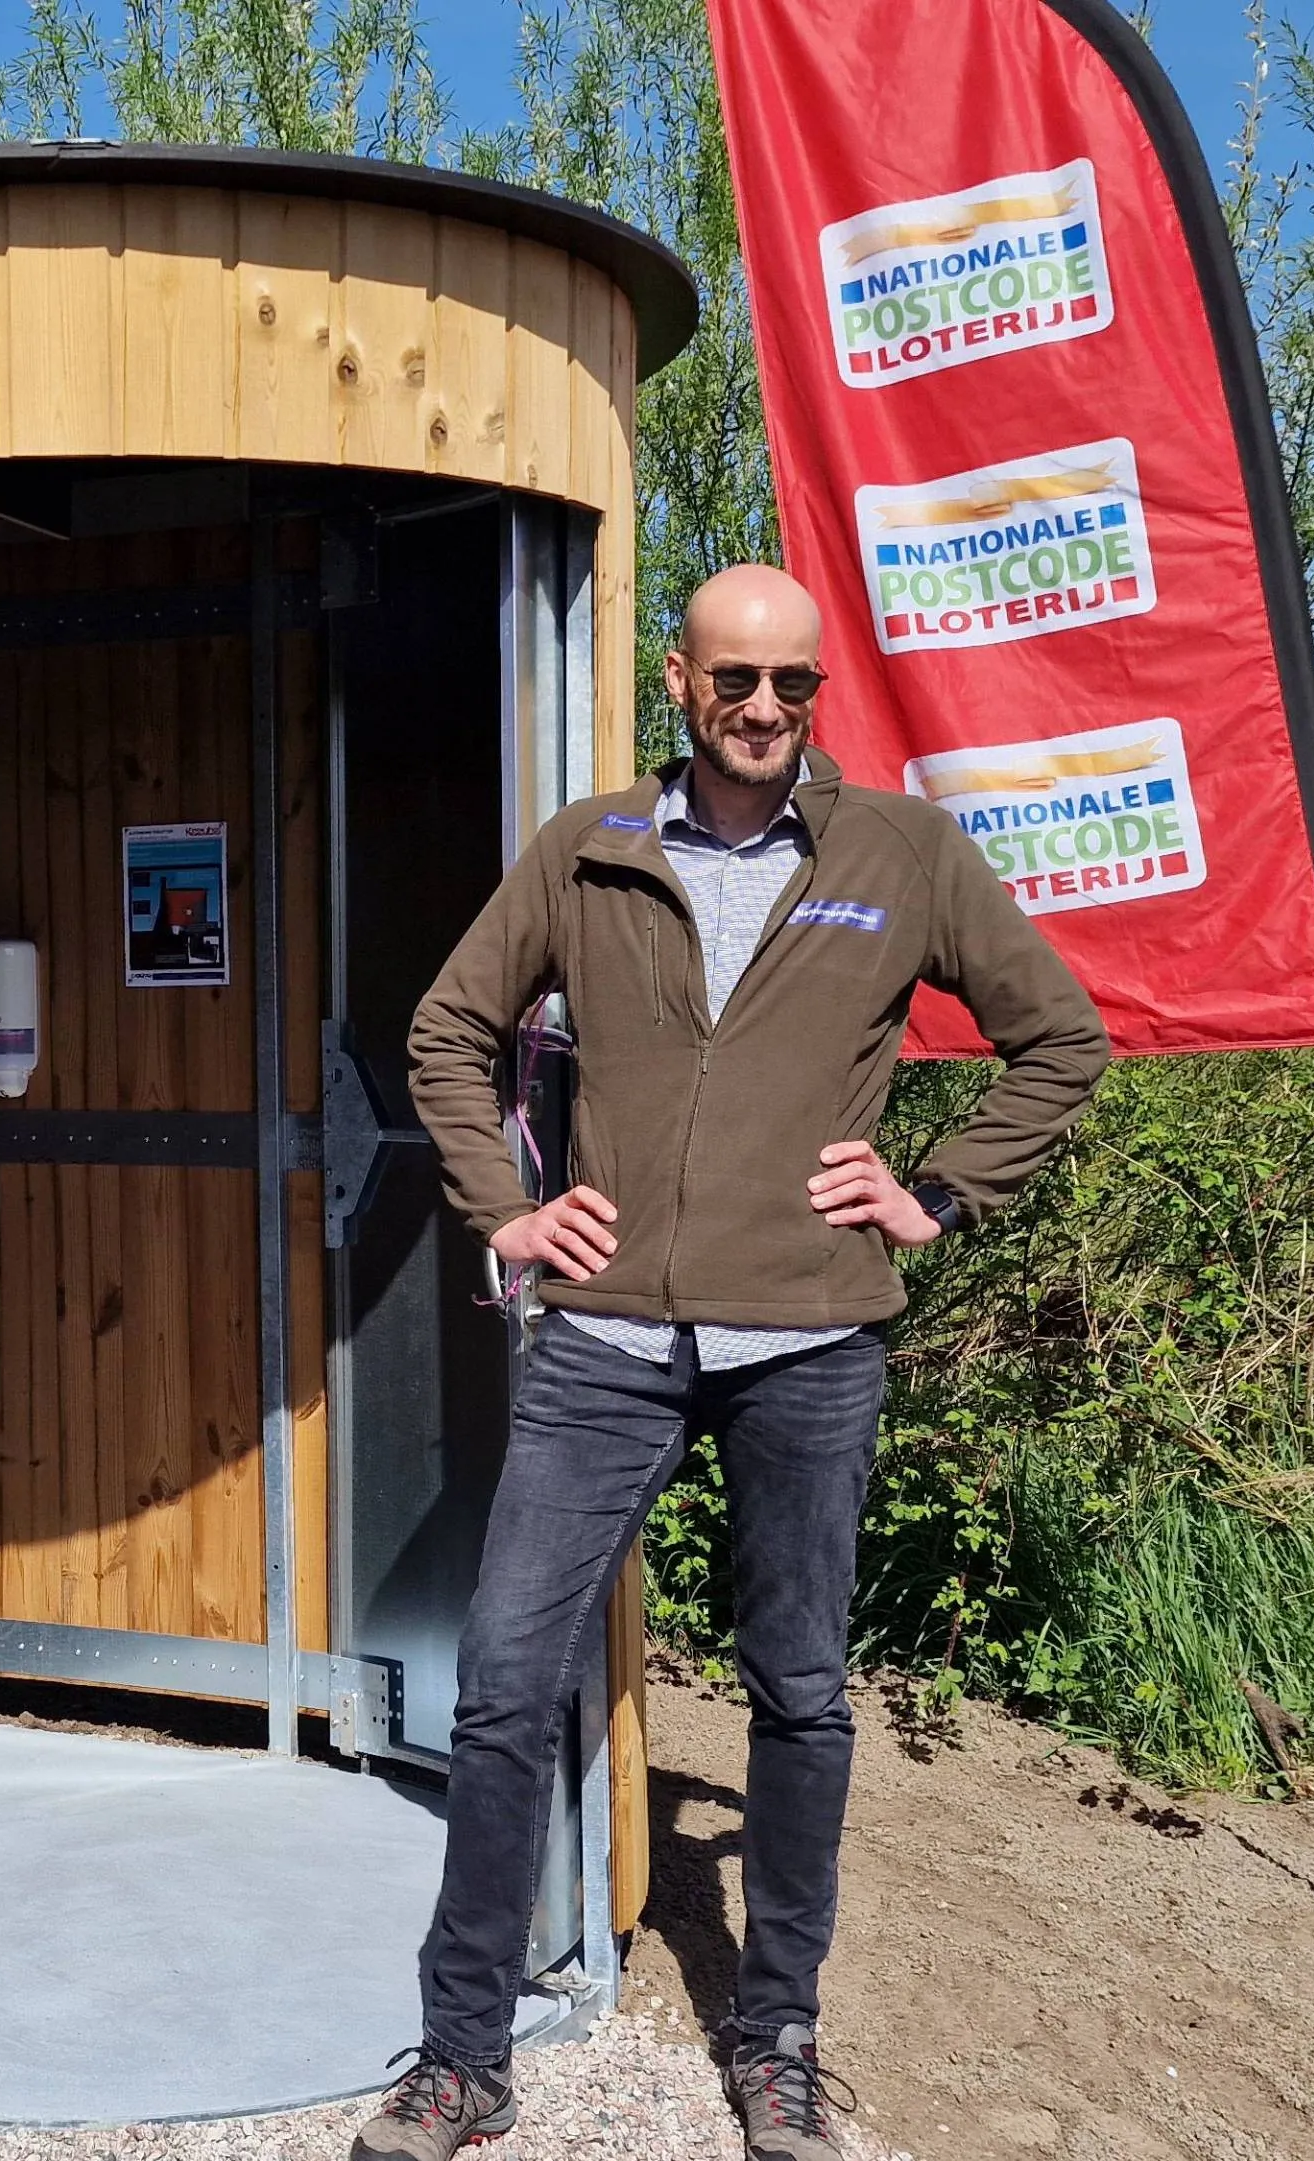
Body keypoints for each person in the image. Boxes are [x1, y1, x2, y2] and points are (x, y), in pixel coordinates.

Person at [354, 564, 1110, 2161]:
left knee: (801, 1694)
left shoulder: (900, 852)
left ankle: (775, 2036)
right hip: (608, 1343)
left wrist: (938, 1194)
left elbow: (1061, 1036)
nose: (766, 710)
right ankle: (462, 2053)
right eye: (736, 682)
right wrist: (512, 1210)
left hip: (809, 1344)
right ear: (678, 684)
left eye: (794, 686)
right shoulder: (592, 849)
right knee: (502, 1685)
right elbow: (447, 1029)